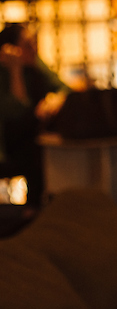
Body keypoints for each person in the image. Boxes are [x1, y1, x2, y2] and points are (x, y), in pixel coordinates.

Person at [0, 23, 66, 207]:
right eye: (27, 44)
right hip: (9, 143)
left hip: (30, 138)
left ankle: (38, 206)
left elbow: (63, 87)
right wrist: (15, 71)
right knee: (33, 148)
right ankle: (32, 209)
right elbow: (15, 111)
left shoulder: (35, 65)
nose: (34, 49)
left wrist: (55, 98)